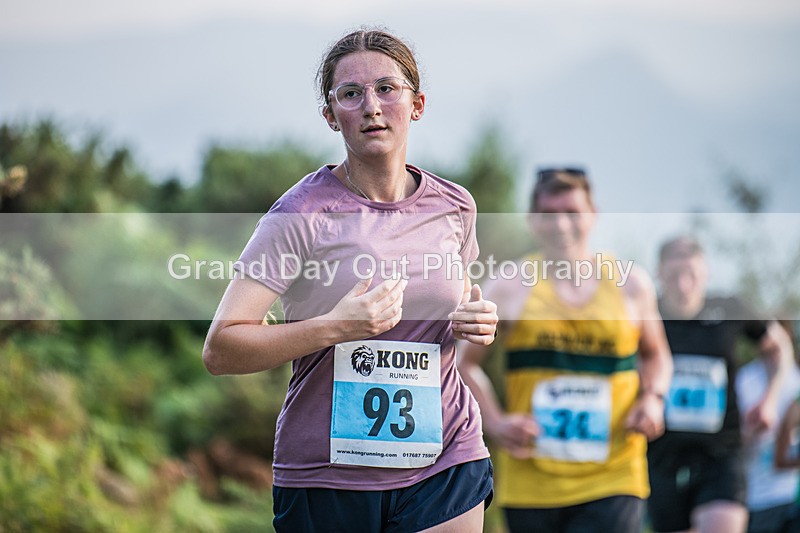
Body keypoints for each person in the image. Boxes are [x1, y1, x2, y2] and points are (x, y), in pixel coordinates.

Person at [202, 28, 498, 532]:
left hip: (446, 457)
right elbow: (221, 349)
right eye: (351, 94)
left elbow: (452, 311)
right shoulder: (300, 213)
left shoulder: (455, 205)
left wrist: (476, 321)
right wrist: (337, 327)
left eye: (387, 88)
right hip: (327, 475)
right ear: (330, 114)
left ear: (417, 103)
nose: (371, 106)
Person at [457, 167, 673, 533]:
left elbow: (655, 354)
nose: (560, 225)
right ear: (532, 221)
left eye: (571, 212)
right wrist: (493, 421)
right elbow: (464, 363)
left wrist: (653, 397)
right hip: (531, 483)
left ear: (593, 215)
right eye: (548, 214)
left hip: (614, 475)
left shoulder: (631, 285)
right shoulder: (510, 286)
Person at [647, 236, 794, 533]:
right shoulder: (646, 314)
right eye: (675, 276)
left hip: (720, 452)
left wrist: (770, 399)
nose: (684, 285)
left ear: (706, 274)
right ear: (660, 274)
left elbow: (779, 347)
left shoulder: (729, 309)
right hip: (661, 455)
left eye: (692, 275)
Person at [737, 322, 800, 533]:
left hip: (792, 496)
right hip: (757, 498)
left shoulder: (796, 380)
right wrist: (751, 432)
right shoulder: (743, 379)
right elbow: (732, 444)